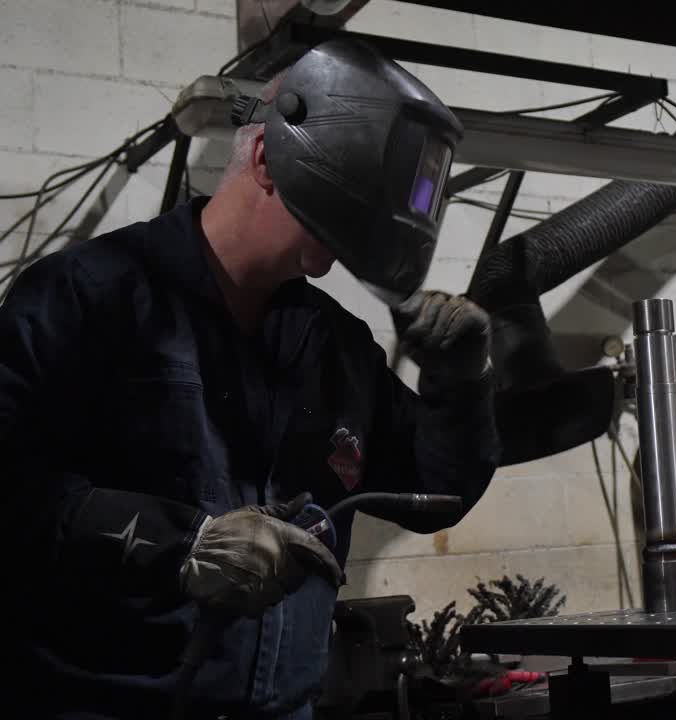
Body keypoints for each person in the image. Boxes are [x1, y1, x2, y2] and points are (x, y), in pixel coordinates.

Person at [0, 39, 498, 718]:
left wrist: (460, 382)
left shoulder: (337, 351)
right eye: (328, 219)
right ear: (266, 159)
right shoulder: (87, 300)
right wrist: (176, 544)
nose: (331, 254)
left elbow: (440, 488)